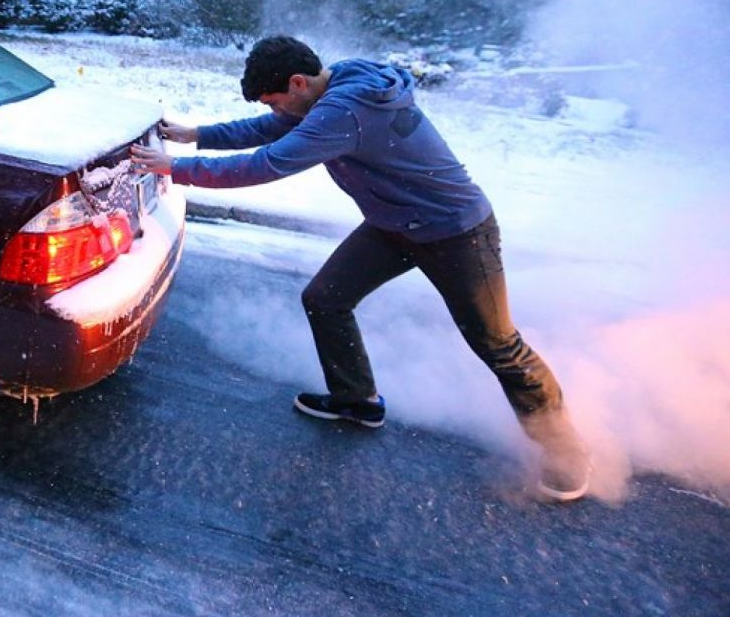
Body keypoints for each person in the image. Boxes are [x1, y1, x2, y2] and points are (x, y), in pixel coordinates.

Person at [129, 35, 590, 502]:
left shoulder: (345, 111)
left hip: (457, 231)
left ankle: (567, 453)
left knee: (497, 343)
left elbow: (268, 163)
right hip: (395, 226)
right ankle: (357, 401)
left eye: (277, 101)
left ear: (297, 82)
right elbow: (272, 128)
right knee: (325, 298)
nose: (277, 112)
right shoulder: (332, 87)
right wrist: (198, 135)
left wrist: (175, 167)